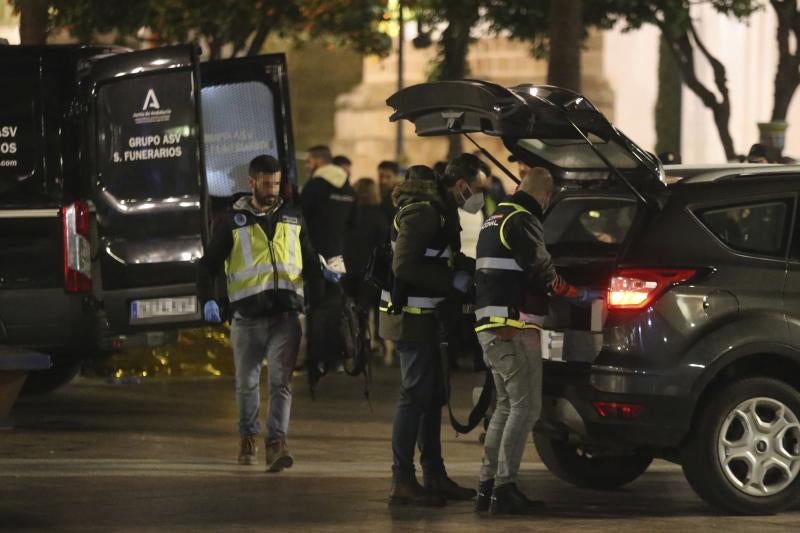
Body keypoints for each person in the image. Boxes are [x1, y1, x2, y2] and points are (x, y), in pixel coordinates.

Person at [473, 166, 599, 515]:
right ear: (545, 196)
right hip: (511, 326)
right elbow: (543, 271)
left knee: (504, 407)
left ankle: (487, 487)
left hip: (490, 323)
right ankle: (504, 488)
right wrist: (578, 294)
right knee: (526, 408)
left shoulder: (495, 216)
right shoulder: (523, 220)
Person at [197, 154, 321, 472]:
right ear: (251, 182)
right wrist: (208, 300)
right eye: (266, 183)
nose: (272, 189)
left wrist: (323, 286)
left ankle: (277, 443)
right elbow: (208, 266)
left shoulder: (293, 216)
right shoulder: (230, 221)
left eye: (276, 183)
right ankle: (248, 436)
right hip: (247, 316)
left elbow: (308, 259)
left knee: (281, 383)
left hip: (286, 315)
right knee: (247, 383)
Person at [380, 154, 488, 507]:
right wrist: (452, 282)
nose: (478, 196)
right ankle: (402, 480)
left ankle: (434, 475)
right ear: (462, 185)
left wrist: (473, 268)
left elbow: (443, 256)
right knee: (414, 397)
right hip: (411, 317)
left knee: (429, 398)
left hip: (426, 317)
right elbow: (405, 265)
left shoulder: (441, 209)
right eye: (477, 188)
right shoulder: (424, 211)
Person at [301, 145, 356, 387]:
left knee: (315, 308)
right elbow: (352, 223)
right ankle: (336, 358)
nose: (306, 166)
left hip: (315, 257)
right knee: (335, 308)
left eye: (309, 161)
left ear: (318, 161)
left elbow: (300, 220)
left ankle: (316, 360)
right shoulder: (347, 188)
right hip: (339, 257)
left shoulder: (315, 186)